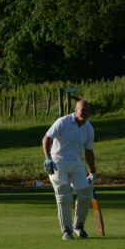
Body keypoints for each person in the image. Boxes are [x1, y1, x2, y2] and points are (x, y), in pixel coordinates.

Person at [42, 99, 97, 240]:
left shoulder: (89, 128)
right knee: (64, 193)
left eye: (87, 111)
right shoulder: (63, 122)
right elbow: (46, 139)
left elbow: (89, 151)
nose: (85, 114)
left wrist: (93, 171)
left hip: (77, 163)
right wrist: (48, 158)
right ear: (76, 109)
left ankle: (79, 226)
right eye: (82, 110)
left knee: (85, 193)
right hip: (58, 160)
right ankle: (67, 230)